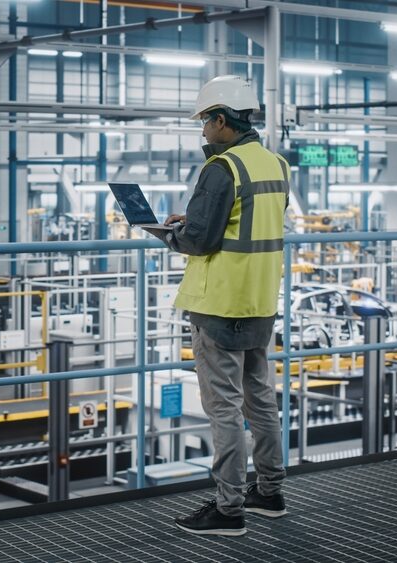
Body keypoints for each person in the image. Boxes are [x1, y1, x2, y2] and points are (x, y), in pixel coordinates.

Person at [147, 75, 290, 537]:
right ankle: (269, 492)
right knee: (260, 398)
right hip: (260, 299)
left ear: (222, 120)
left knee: (224, 408)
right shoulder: (274, 164)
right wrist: (198, 218)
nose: (203, 130)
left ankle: (229, 510)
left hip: (221, 302)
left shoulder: (221, 168)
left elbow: (201, 240)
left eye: (205, 121)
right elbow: (246, 219)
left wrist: (173, 234)